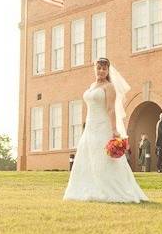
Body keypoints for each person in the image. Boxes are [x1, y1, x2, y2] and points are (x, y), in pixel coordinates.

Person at [63, 58, 148, 203]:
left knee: (104, 158)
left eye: (104, 68)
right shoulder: (92, 85)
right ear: (94, 69)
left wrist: (114, 129)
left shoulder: (109, 87)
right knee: (88, 156)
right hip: (90, 126)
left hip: (103, 126)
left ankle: (111, 189)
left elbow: (110, 109)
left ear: (108, 71)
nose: (101, 71)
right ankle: (88, 188)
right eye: (99, 68)